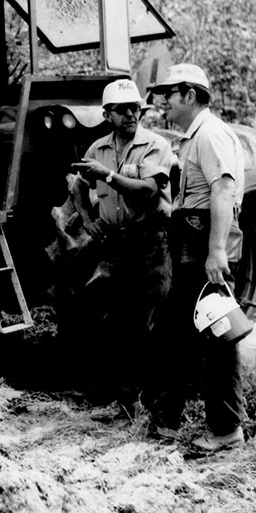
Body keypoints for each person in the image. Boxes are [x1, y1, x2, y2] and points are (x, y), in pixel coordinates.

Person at [147, 63, 246, 452]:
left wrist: (216, 251)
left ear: (190, 95)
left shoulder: (211, 136)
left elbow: (223, 191)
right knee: (180, 331)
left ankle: (226, 430)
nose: (163, 103)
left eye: (169, 95)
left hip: (205, 240)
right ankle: (169, 418)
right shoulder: (196, 136)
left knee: (218, 336)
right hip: (192, 240)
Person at [67, 78, 174, 411]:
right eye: (122, 110)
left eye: (135, 108)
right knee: (112, 319)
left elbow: (149, 191)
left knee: (151, 321)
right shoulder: (97, 149)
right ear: (106, 114)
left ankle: (154, 400)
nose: (131, 114)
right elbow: (78, 188)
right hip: (113, 245)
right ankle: (118, 394)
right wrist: (87, 221)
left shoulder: (155, 145)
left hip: (148, 244)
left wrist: (110, 176)